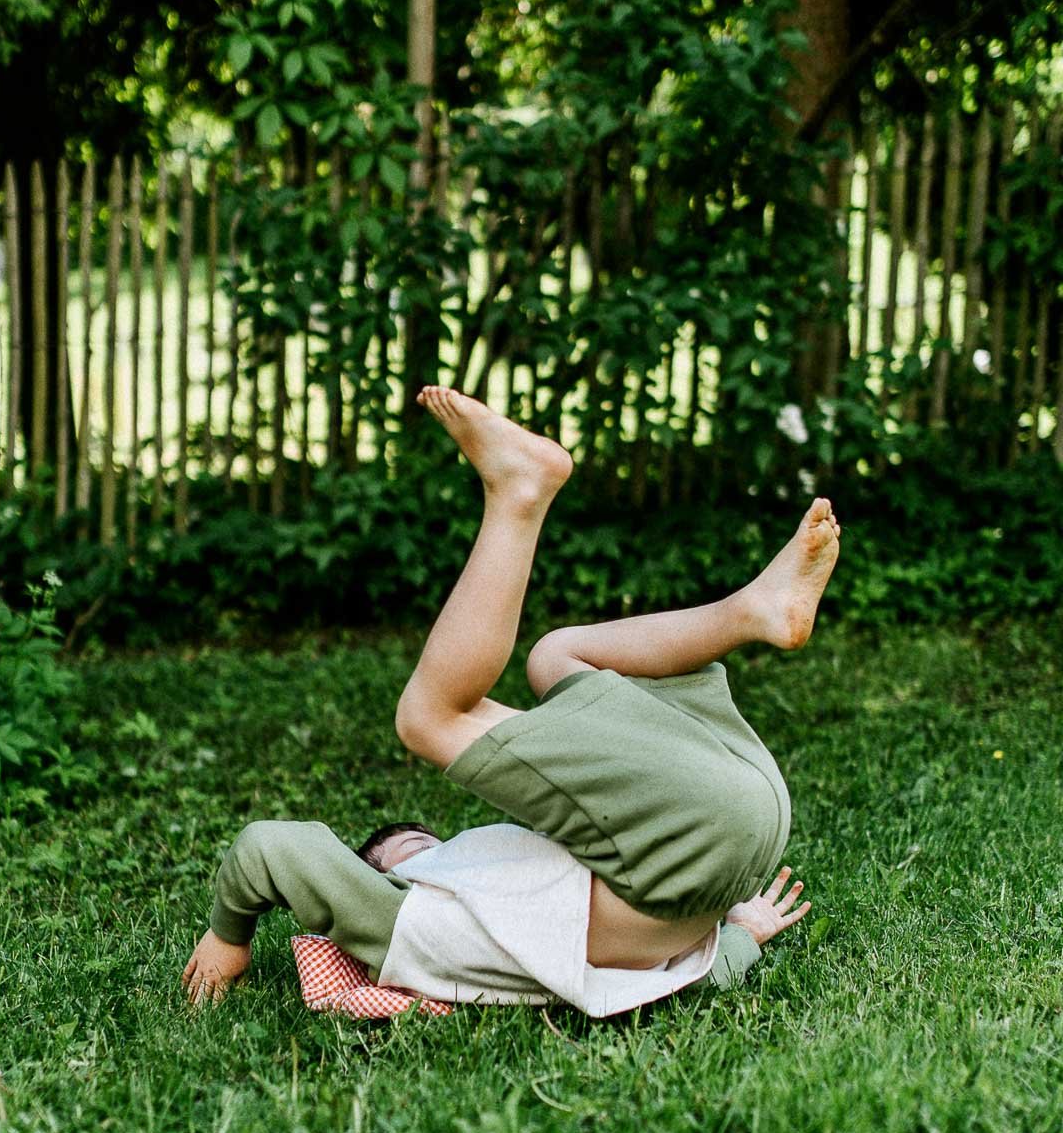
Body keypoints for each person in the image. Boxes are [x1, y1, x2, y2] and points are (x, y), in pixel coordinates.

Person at [182, 386, 839, 1016]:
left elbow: (684, 978)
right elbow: (267, 848)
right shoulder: (397, 926)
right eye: (406, 849)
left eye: (427, 839)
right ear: (378, 883)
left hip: (731, 830)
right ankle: (519, 491)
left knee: (554, 659)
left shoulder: (545, 928)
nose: (432, 843)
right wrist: (228, 936)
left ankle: (751, 609)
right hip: (704, 835)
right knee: (428, 719)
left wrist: (735, 926)